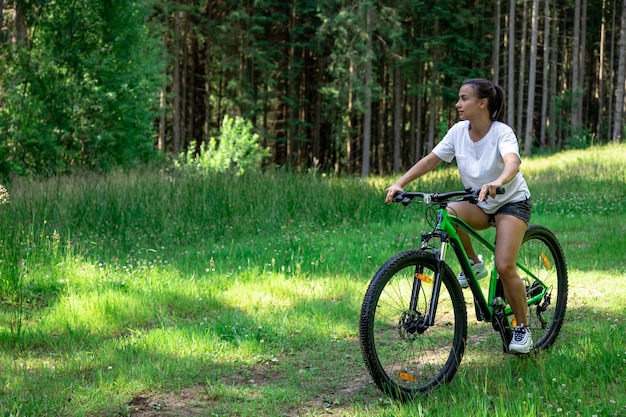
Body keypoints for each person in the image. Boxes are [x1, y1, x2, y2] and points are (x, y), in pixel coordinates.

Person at [384, 78, 533, 354]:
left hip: (510, 202)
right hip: (478, 202)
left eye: (464, 98)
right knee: (449, 213)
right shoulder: (458, 132)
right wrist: (400, 183)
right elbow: (431, 160)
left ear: (482, 103)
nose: (458, 104)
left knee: (504, 266)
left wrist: (497, 182)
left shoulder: (502, 133)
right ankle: (474, 264)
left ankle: (522, 329)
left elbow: (512, 162)